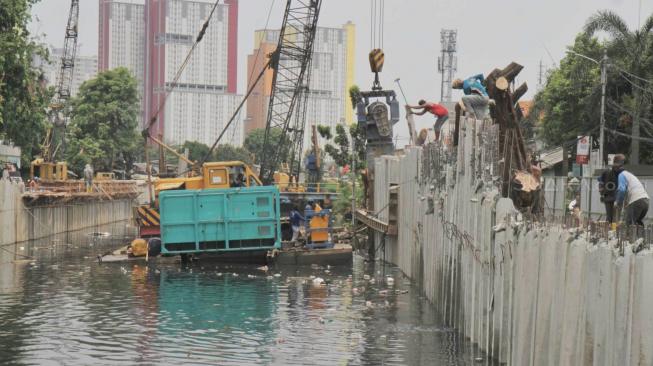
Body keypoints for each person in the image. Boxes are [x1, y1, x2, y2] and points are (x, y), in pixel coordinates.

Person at [452, 74, 493, 146]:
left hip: (482, 98)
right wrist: (483, 85)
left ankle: (471, 114)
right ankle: (484, 131)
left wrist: (468, 109)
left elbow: (469, 100)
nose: (459, 89)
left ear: (458, 86)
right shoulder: (470, 78)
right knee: (481, 119)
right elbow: (481, 75)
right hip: (485, 96)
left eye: (457, 88)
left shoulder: (465, 88)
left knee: (464, 98)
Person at [613, 154, 649, 226]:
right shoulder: (630, 175)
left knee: (628, 225)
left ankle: (631, 237)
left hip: (637, 201)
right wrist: (626, 206)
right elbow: (627, 194)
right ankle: (641, 236)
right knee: (637, 222)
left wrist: (617, 202)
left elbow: (621, 190)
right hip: (645, 201)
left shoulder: (621, 175)